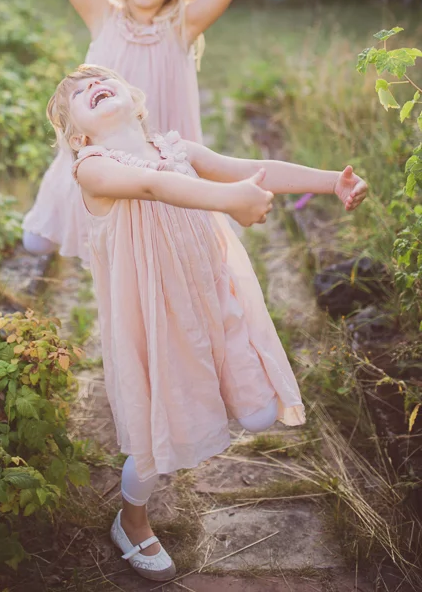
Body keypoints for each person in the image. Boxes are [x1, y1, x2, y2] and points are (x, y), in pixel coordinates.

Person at [47, 64, 368, 583]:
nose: (91, 87)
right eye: (80, 94)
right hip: (154, 319)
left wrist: (331, 181)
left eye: (99, 80)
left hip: (210, 294)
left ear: (134, 98)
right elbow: (152, 187)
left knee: (262, 413)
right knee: (158, 437)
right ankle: (132, 520)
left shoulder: (179, 150)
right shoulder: (93, 168)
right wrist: (231, 200)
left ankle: (216, 399)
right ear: (79, 134)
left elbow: (251, 166)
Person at [23, 0, 243, 260]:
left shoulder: (182, 26)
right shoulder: (102, 16)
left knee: (164, 254)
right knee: (39, 241)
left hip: (159, 170)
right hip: (105, 164)